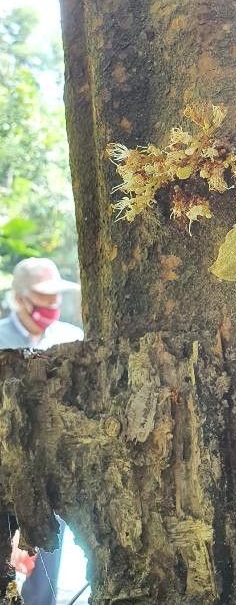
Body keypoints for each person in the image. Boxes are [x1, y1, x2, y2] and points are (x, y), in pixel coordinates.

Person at [0, 257, 83, 604]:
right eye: (42, 296)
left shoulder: (71, 338)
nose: (51, 304)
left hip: (53, 466)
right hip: (6, 464)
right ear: (19, 298)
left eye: (56, 296)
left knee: (48, 561)